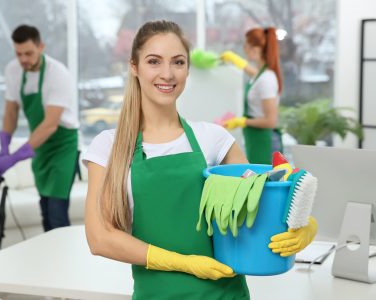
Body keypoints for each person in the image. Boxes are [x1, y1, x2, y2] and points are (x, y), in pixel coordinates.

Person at [83, 20, 317, 299]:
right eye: (154, 62)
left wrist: (306, 227)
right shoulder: (109, 147)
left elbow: (262, 210)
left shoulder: (214, 140)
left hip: (225, 294)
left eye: (178, 62)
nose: (167, 74)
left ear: (187, 69)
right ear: (134, 66)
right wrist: (182, 263)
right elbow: (100, 238)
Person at [0, 24, 79, 231]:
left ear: (41, 47)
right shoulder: (13, 70)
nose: (23, 59)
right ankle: (49, 260)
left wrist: (13, 158)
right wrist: (4, 146)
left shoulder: (57, 73)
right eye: (18, 53)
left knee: (57, 212)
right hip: (40, 145)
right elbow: (11, 111)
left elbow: (49, 125)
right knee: (45, 209)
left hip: (62, 145)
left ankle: (64, 260)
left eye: (28, 53)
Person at [221, 27, 283, 164]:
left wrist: (241, 121)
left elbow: (271, 121)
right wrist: (236, 61)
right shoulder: (261, 75)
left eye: (246, 46)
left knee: (264, 183)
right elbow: (255, 75)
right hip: (258, 139)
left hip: (265, 142)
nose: (244, 49)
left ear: (255, 50)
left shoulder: (266, 79)